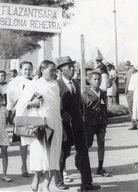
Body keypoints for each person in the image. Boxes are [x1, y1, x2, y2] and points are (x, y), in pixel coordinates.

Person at [16, 60, 63, 192]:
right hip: (40, 125)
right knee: (40, 155)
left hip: (55, 124)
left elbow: (58, 107)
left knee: (54, 156)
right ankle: (36, 177)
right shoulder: (34, 84)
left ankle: (46, 185)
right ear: (42, 70)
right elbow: (21, 105)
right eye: (51, 70)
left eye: (55, 70)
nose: (54, 72)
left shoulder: (56, 84)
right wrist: (33, 103)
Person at [56, 56, 100, 191]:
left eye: (72, 66)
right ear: (61, 70)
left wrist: (82, 118)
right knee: (62, 153)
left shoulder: (76, 83)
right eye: (68, 66)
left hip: (79, 125)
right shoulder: (56, 85)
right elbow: (54, 105)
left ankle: (86, 183)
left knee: (83, 152)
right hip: (64, 126)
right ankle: (59, 181)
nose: (71, 68)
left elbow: (79, 105)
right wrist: (62, 114)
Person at [6, 61, 33, 177]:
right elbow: (11, 99)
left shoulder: (35, 81)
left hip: (34, 114)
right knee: (24, 142)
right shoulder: (15, 82)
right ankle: (24, 165)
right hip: (21, 113)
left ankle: (35, 165)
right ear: (21, 70)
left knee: (35, 140)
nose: (27, 71)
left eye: (29, 69)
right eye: (25, 69)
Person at [82, 71, 110, 177]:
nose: (97, 81)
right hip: (89, 124)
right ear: (89, 81)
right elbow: (82, 111)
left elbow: (104, 108)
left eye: (99, 79)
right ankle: (82, 165)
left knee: (101, 144)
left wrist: (105, 121)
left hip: (101, 123)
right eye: (95, 79)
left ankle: (100, 167)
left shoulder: (102, 93)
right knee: (87, 145)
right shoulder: (85, 95)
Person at [126, 63, 138, 130]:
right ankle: (133, 123)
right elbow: (126, 82)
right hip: (130, 91)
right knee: (131, 109)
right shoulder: (129, 73)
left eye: (133, 66)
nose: (131, 68)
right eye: (131, 66)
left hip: (137, 92)